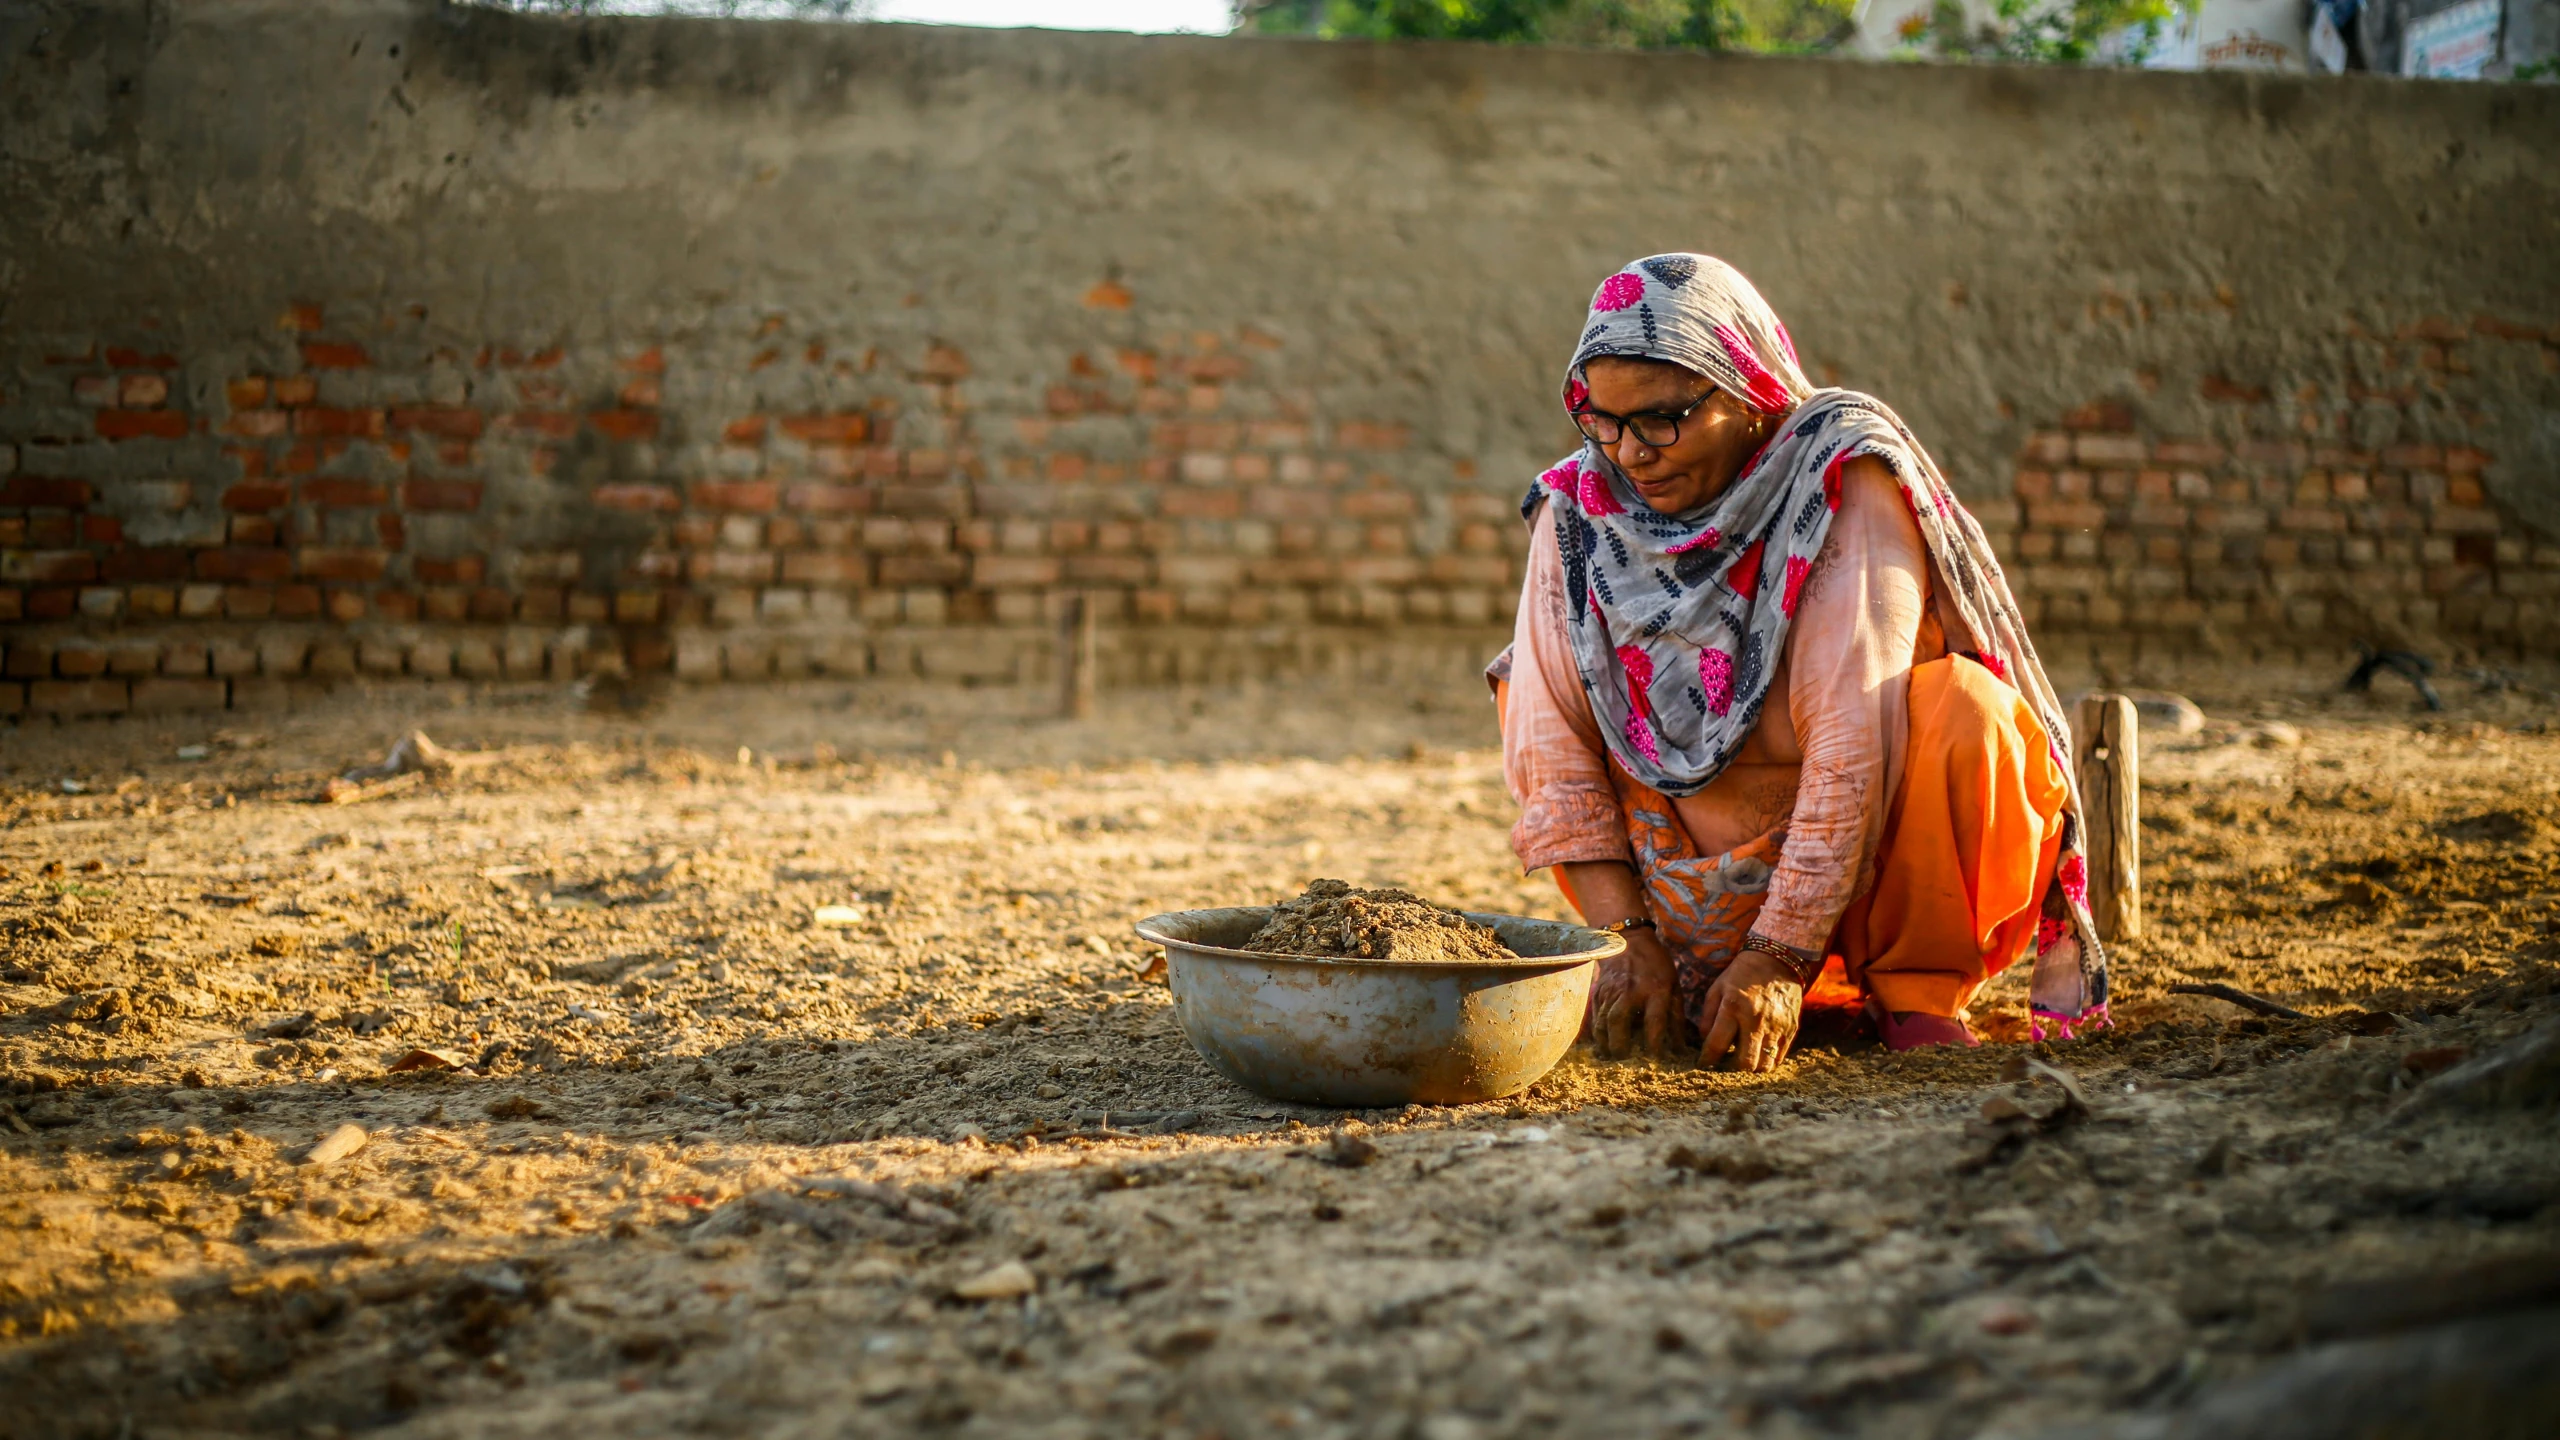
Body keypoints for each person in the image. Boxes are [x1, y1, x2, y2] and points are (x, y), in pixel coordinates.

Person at [1489, 254, 2109, 1072]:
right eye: (1602, 421)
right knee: (1525, 691)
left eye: (1661, 419)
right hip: (1666, 875)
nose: (1631, 454)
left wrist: (1777, 956)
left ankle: (1913, 988)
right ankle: (1670, 969)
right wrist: (1621, 935)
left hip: (1866, 855)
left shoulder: (1840, 472)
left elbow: (1854, 740)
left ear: (1746, 391)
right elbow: (1554, 746)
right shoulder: (1576, 506)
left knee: (1969, 713)